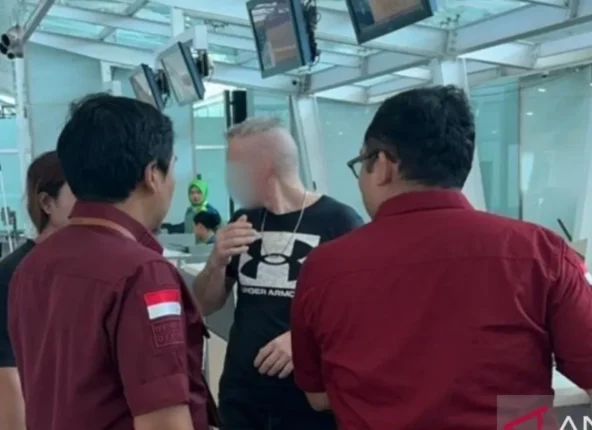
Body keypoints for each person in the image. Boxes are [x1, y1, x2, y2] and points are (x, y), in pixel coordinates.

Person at [290, 86, 592, 429]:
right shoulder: (539, 252)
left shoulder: (324, 267)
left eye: (361, 163)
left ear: (382, 165)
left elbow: (319, 397)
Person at [9, 94, 210, 430]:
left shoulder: (32, 266)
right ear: (152, 175)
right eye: (173, 166)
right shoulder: (144, 274)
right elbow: (163, 422)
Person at [192, 117, 363, 430]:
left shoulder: (339, 222)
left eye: (233, 167)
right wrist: (216, 261)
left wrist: (302, 341)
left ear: (263, 167)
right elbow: (205, 304)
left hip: (308, 402)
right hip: (243, 396)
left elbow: (361, 315)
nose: (229, 178)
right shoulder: (243, 219)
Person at [0, 151, 75, 430]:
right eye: (79, 192)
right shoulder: (13, 275)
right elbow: (7, 375)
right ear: (46, 202)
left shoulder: (92, 270)